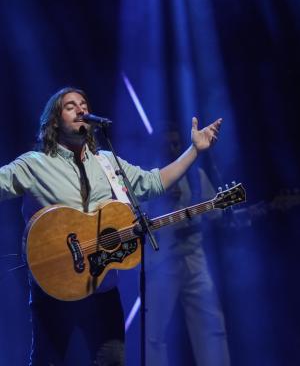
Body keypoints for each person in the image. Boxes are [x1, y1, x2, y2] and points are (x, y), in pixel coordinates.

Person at [0, 86, 222, 366]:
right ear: (54, 121)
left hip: (102, 291)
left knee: (113, 360)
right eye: (70, 106)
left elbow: (152, 183)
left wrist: (194, 151)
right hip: (54, 287)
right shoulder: (34, 164)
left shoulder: (106, 162)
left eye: (83, 104)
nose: (81, 109)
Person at [145, 124, 231, 366]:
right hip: (160, 264)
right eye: (167, 144)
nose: (172, 148)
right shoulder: (148, 179)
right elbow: (133, 222)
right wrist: (158, 205)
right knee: (153, 334)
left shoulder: (197, 176)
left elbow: (215, 218)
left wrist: (219, 213)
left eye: (175, 143)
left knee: (211, 325)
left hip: (194, 257)